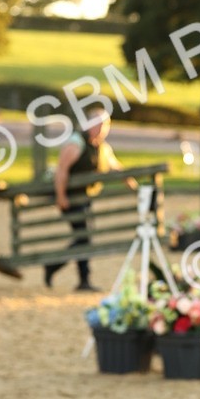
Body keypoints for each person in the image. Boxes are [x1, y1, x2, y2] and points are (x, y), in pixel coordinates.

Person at [44, 108, 135, 292]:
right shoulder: (76, 143)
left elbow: (116, 168)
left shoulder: (101, 148)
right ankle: (79, 277)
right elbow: (61, 171)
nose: (101, 129)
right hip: (71, 198)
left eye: (105, 126)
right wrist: (61, 196)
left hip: (84, 199)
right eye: (98, 125)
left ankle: (56, 267)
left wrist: (133, 186)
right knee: (83, 236)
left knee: (83, 237)